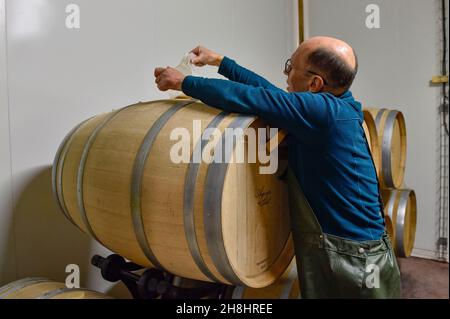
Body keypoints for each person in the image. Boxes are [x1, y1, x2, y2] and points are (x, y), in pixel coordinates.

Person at [154, 36, 402, 298]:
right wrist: (221, 62)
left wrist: (184, 82)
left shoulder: (321, 113)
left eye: (290, 67)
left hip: (353, 259)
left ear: (314, 83)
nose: (286, 74)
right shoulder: (335, 106)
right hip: (357, 250)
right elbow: (269, 94)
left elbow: (252, 98)